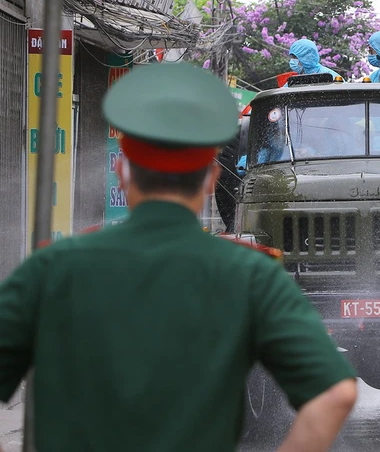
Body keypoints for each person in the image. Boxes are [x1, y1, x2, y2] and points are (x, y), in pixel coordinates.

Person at [0, 63, 357, 452]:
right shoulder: (252, 274)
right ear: (210, 178)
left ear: (121, 172)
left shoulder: (52, 269)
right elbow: (334, 393)